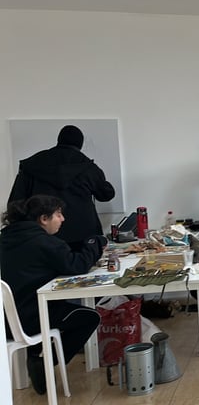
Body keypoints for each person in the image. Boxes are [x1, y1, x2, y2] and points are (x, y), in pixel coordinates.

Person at [0, 195, 106, 395]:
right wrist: (95, 243)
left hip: (6, 319)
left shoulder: (8, 237)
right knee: (90, 317)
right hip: (33, 315)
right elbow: (77, 265)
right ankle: (44, 362)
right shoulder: (42, 241)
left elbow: (60, 255)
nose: (63, 219)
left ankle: (36, 355)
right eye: (58, 214)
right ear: (43, 218)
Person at [8, 125, 115, 251]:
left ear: (59, 140)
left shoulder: (32, 165)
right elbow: (105, 195)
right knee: (84, 263)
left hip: (43, 233)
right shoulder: (88, 167)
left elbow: (16, 201)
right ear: (80, 144)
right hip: (83, 233)